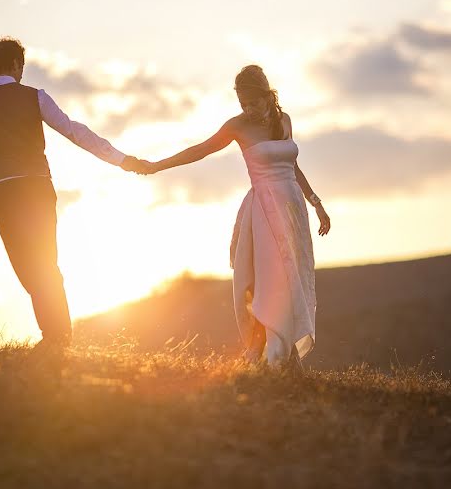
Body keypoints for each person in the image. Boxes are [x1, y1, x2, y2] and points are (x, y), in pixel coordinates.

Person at [141, 65, 330, 370]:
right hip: (264, 209)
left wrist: (316, 203)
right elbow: (199, 151)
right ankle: (271, 354)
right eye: (243, 104)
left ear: (268, 97)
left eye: (253, 103)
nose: (248, 109)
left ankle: (287, 355)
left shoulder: (286, 121)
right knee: (269, 280)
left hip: (293, 208)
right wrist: (156, 166)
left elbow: (293, 166)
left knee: (294, 277)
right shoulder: (237, 127)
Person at [0, 37, 145, 348]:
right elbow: (75, 131)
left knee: (31, 269)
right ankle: (57, 336)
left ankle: (56, 338)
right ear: (18, 65)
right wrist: (121, 159)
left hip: (4, 194)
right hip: (36, 189)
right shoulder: (36, 97)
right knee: (44, 264)